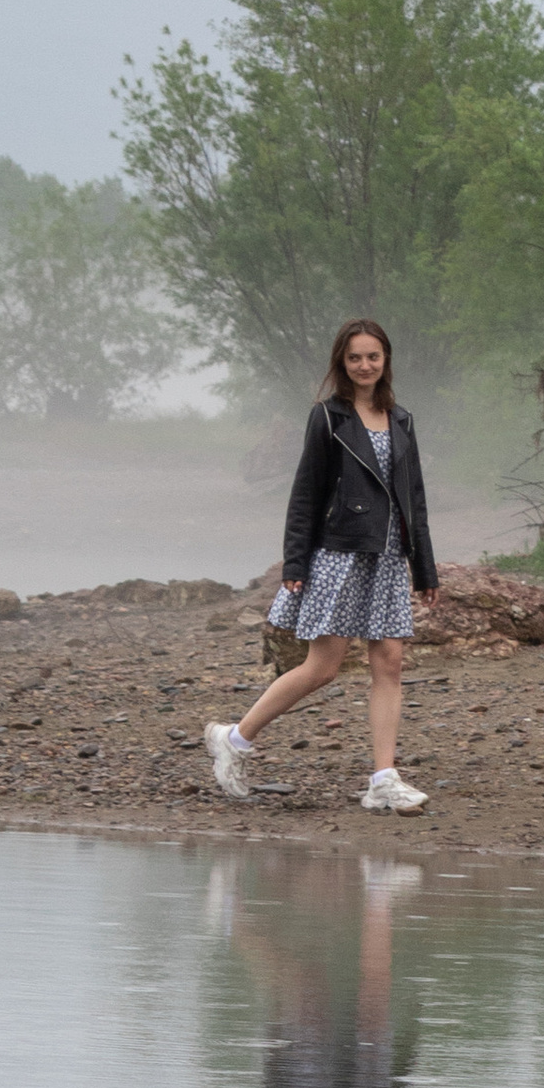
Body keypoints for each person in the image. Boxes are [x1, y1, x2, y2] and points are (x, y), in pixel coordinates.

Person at [205, 316, 437, 813]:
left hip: (390, 555)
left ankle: (383, 780)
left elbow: (413, 495)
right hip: (340, 553)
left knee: (389, 663)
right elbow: (306, 492)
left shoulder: (402, 419)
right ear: (342, 362)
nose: (364, 365)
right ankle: (235, 738)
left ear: (386, 360)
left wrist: (426, 568)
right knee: (323, 667)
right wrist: (296, 559)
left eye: (373, 356)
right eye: (355, 357)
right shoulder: (328, 417)